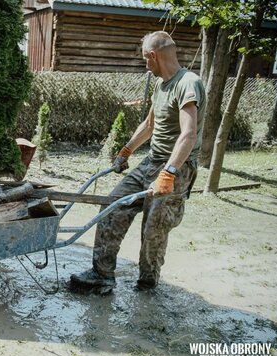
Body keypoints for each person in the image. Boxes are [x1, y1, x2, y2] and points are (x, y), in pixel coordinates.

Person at [69, 31, 206, 293]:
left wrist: (169, 172)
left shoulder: (188, 83)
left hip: (177, 167)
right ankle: (102, 274)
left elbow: (188, 134)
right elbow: (150, 124)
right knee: (112, 207)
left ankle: (147, 285)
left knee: (153, 228)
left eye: (146, 59)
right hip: (152, 161)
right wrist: (127, 150)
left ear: (153, 56)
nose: (145, 65)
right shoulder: (161, 84)